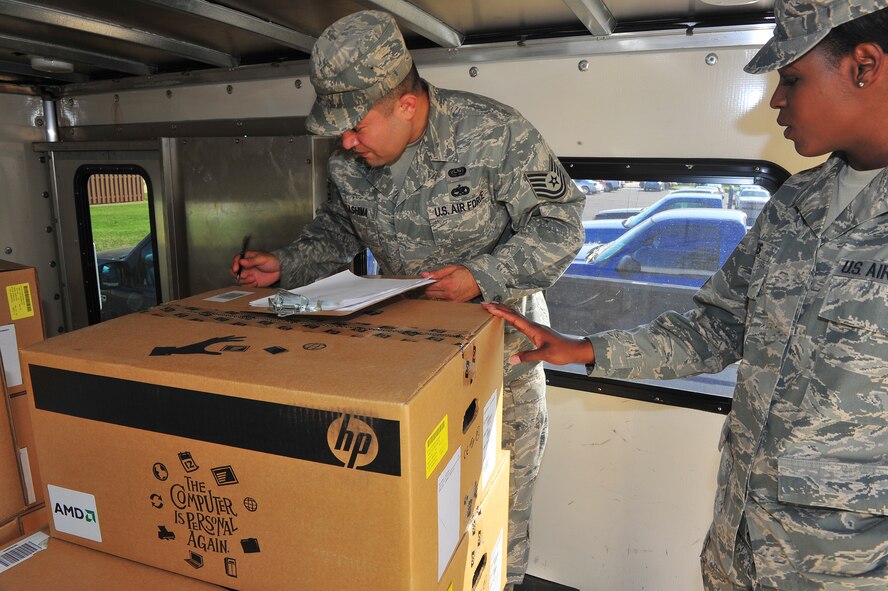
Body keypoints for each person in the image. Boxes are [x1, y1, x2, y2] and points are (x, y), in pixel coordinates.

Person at [483, 1, 888, 589]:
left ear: (865, 66)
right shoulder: (798, 203)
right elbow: (720, 326)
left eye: (792, 79)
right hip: (741, 540)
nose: (777, 100)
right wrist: (585, 350)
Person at [232, 10, 585, 588]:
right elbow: (338, 234)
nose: (345, 141)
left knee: (499, 508)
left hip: (502, 365)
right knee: (418, 516)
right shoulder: (351, 161)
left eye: (355, 124)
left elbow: (563, 224)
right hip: (408, 364)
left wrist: (481, 276)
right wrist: (285, 264)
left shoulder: (492, 133)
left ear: (406, 104)